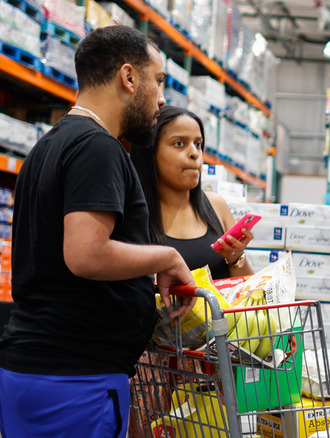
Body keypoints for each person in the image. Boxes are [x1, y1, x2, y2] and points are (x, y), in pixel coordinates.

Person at [0, 25, 196, 438]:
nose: (162, 98)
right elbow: (86, 254)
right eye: (158, 81)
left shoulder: (49, 145)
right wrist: (168, 256)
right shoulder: (97, 146)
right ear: (128, 77)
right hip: (75, 383)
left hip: (40, 372)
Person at [130, 105, 255, 278]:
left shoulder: (216, 206)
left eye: (198, 144)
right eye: (179, 144)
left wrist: (236, 258)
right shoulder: (132, 215)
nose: (194, 153)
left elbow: (248, 292)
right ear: (150, 152)